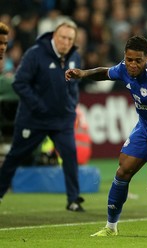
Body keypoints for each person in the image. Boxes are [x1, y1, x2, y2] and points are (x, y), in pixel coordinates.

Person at [65, 35, 147, 236]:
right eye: (129, 59)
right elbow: (105, 73)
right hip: (145, 129)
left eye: (138, 61)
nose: (132, 65)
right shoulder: (123, 68)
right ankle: (111, 227)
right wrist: (83, 73)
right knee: (122, 171)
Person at [0, 20, 85, 211]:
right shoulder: (35, 54)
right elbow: (19, 83)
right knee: (15, 156)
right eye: (63, 37)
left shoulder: (75, 57)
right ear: (54, 36)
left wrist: (71, 105)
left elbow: (74, 86)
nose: (66, 42)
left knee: (70, 156)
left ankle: (73, 200)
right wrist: (38, 106)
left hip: (62, 119)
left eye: (70, 39)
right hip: (33, 119)